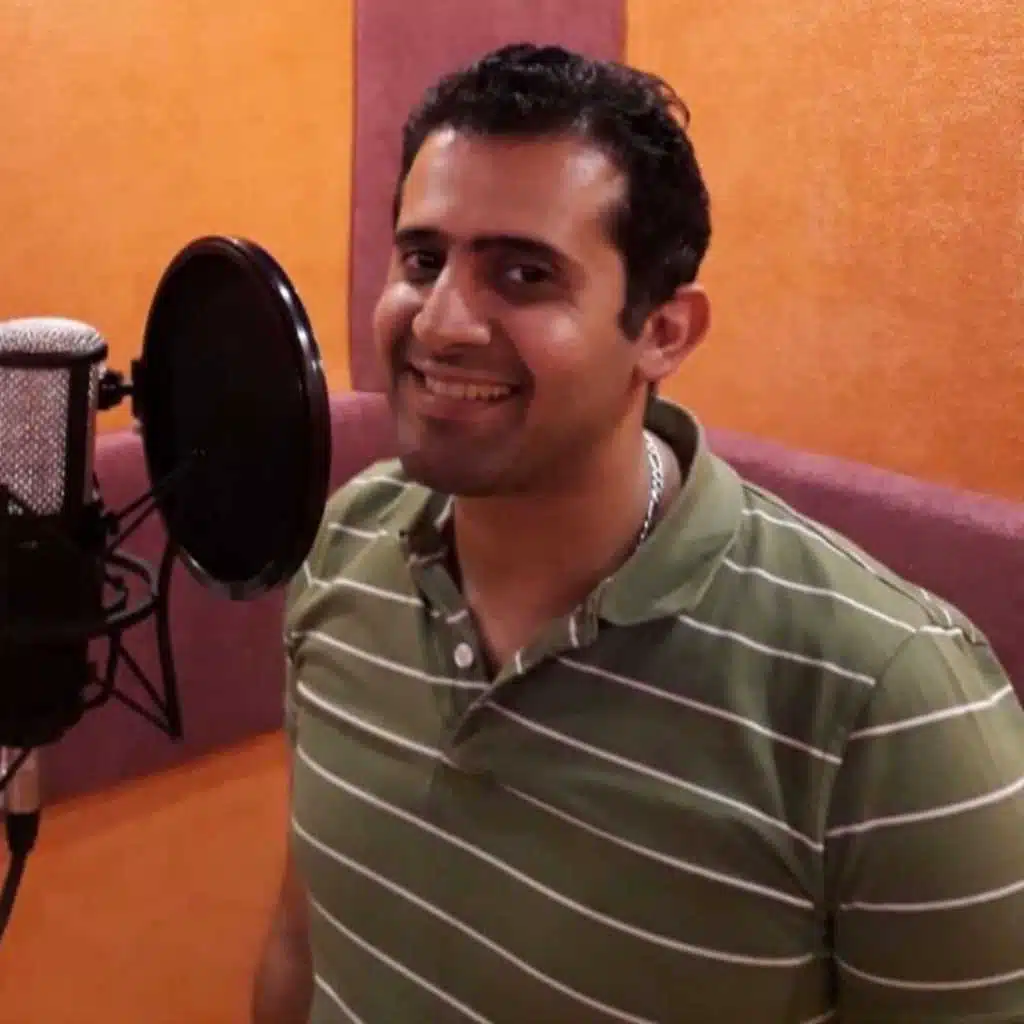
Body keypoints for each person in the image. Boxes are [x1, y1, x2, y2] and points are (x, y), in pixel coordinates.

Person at [252, 43, 1024, 1024]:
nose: (441, 323)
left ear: (664, 332)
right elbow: (304, 940)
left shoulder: (891, 704)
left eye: (523, 273)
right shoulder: (346, 543)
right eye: (422, 260)